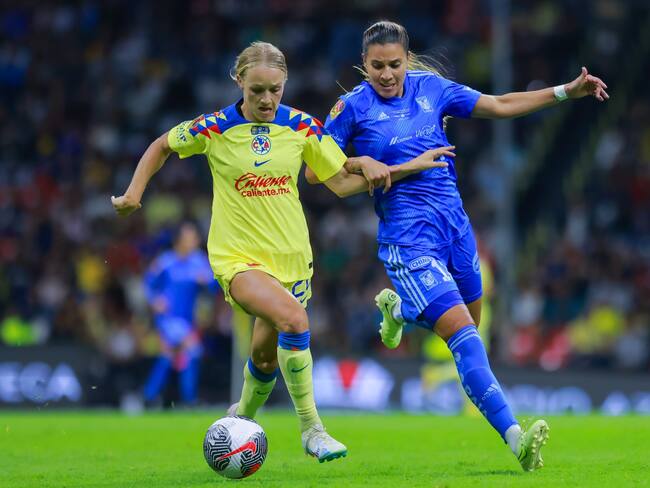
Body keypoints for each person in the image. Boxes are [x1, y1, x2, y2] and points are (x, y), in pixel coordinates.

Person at [112, 41, 449, 463]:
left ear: (285, 83)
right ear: (239, 82)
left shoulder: (304, 128)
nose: (267, 99)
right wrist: (133, 193)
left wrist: (402, 168)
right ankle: (313, 429)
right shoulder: (215, 128)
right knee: (294, 318)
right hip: (237, 260)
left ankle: (238, 424)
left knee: (264, 358)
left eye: (274, 89)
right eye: (256, 91)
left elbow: (341, 183)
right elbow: (162, 144)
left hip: (291, 261)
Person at [308, 20, 608, 471]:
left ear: (407, 59)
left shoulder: (433, 88)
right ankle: (517, 440)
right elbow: (316, 174)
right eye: (376, 67)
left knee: (471, 333)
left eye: (394, 64)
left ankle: (401, 311)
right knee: (466, 339)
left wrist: (567, 91)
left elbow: (502, 104)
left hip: (456, 229)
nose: (387, 75)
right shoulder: (351, 108)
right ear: (363, 65)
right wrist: (360, 159)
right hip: (408, 240)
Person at [142, 222, 218, 406]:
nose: (194, 241)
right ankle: (189, 400)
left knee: (169, 356)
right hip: (169, 318)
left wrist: (207, 281)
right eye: (190, 238)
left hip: (187, 319)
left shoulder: (199, 261)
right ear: (179, 241)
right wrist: (155, 301)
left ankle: (149, 397)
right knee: (192, 349)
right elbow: (148, 284)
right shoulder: (165, 262)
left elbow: (214, 286)